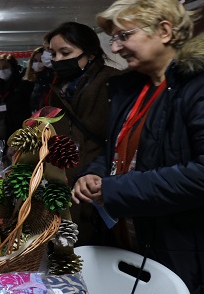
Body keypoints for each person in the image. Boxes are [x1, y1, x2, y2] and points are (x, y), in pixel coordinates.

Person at [72, 0, 204, 294]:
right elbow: (124, 150)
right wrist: (95, 173)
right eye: (113, 39)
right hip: (145, 246)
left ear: (165, 31)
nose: (115, 49)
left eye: (123, 36)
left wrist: (117, 189)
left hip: (196, 254)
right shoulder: (135, 89)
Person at [46, 21, 121, 245]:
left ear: (89, 54)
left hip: (94, 185)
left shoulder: (112, 83)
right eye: (54, 53)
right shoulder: (59, 87)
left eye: (65, 52)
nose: (57, 59)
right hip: (65, 185)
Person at [0, 54, 34, 142]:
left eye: (5, 67)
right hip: (4, 128)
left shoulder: (23, 83)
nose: (1, 71)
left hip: (21, 129)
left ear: (12, 67)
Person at [24, 43, 54, 112]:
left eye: (41, 61)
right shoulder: (32, 81)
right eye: (35, 61)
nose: (37, 63)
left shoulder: (50, 79)